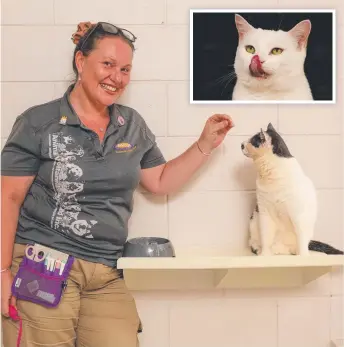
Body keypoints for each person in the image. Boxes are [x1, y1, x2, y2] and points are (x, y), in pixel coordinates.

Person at [1, 21, 234, 346]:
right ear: (81, 62)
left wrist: (205, 144)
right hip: (44, 263)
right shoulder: (38, 122)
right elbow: (7, 199)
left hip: (106, 271)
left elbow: (160, 180)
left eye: (125, 69)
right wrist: (1, 275)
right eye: (107, 64)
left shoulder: (131, 124)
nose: (117, 77)